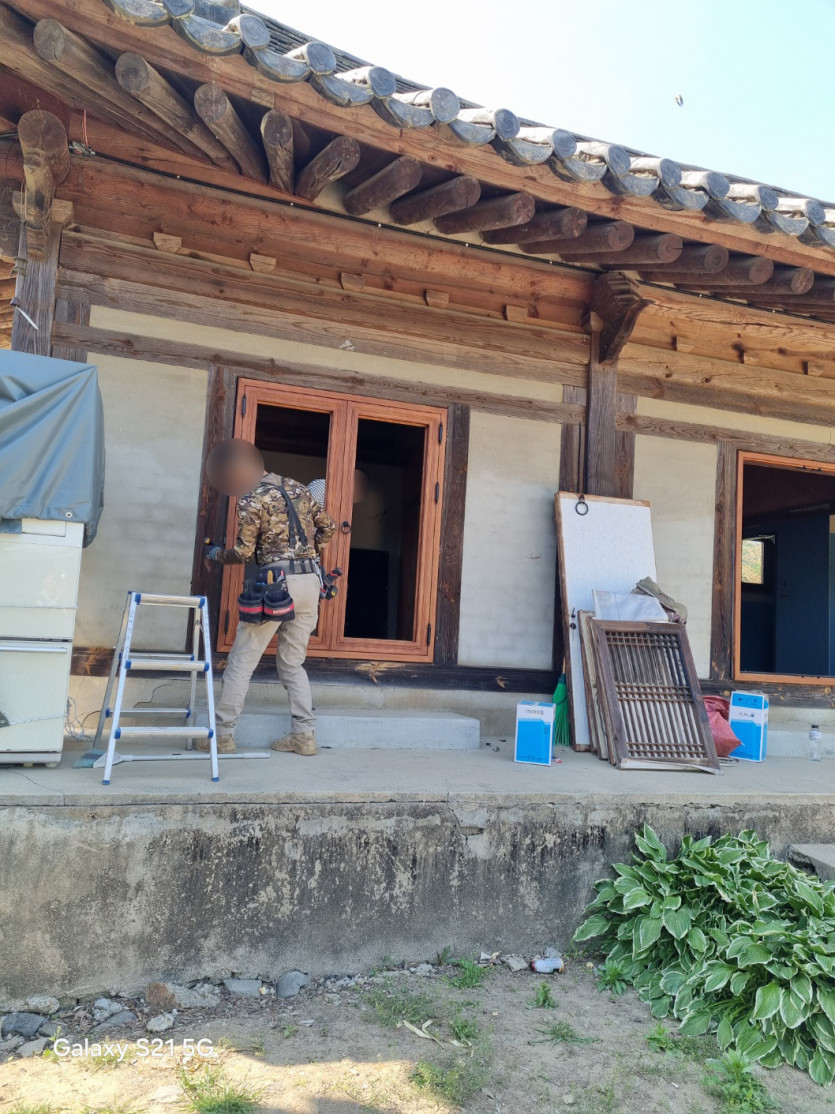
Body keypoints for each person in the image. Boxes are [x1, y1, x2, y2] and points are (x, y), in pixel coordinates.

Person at [202, 439, 336, 757]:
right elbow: (329, 528)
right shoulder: (299, 488)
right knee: (293, 664)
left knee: (242, 662)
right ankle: (304, 736)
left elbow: (244, 552)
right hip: (311, 581)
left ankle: (222, 737)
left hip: (276, 583)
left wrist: (216, 554)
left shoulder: (252, 498)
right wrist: (310, 553)